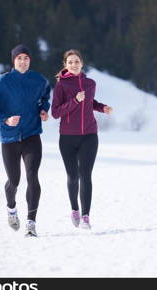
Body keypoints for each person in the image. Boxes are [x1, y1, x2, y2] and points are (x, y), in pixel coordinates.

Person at [0, 44, 51, 237]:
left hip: (31, 135)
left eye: (26, 58)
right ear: (13, 61)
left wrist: (44, 110)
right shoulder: (1, 82)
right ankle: (11, 208)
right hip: (9, 137)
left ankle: (31, 223)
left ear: (30, 60)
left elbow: (45, 97)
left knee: (32, 176)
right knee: (14, 181)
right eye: (19, 58)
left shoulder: (39, 80)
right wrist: (5, 119)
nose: (23, 61)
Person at [51, 49, 112, 229]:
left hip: (89, 136)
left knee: (86, 176)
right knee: (73, 176)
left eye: (76, 61)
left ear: (82, 63)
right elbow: (55, 113)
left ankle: (86, 216)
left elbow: (91, 102)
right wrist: (75, 101)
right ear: (65, 65)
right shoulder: (61, 86)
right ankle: (74, 209)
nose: (74, 64)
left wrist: (102, 108)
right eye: (70, 62)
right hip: (68, 137)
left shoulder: (90, 83)